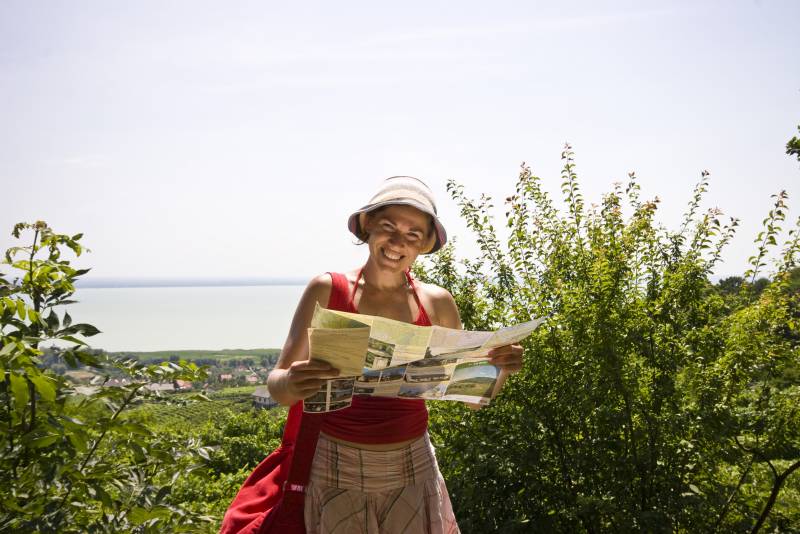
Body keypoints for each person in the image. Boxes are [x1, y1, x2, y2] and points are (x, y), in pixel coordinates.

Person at [267, 176, 523, 534]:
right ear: (368, 227)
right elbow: (277, 387)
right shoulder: (327, 289)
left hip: (413, 466)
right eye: (388, 227)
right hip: (334, 466)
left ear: (425, 245)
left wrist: (500, 369)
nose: (397, 242)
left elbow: (473, 400)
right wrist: (293, 381)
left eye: (413, 235)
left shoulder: (437, 303)